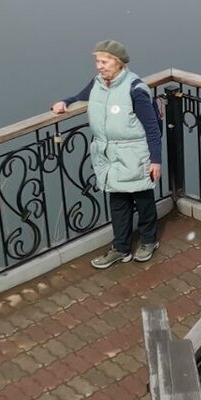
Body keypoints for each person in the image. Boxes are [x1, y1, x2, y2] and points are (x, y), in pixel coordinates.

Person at [51, 39, 162, 269]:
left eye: (104, 62)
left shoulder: (136, 89)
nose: (99, 66)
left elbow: (152, 129)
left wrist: (155, 161)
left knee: (143, 198)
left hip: (134, 153)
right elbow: (80, 96)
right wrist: (65, 102)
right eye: (97, 61)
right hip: (109, 154)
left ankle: (148, 241)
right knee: (118, 201)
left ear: (118, 63)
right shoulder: (98, 84)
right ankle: (121, 248)